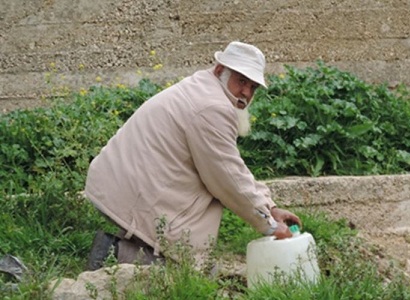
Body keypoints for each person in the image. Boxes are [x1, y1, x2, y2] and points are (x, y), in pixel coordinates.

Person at [85, 41, 301, 270]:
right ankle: (111, 253)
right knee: (188, 272)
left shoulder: (203, 86)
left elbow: (229, 165)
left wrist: (270, 207)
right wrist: (269, 225)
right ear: (220, 70)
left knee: (197, 266)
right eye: (241, 81)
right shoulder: (213, 107)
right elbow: (227, 179)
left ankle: (122, 251)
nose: (246, 92)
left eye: (253, 86)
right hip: (134, 190)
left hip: (122, 182)